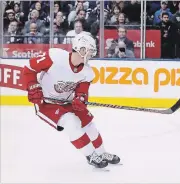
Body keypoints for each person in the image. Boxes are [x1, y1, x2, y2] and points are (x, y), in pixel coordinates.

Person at [22, 33, 120, 169]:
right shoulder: (55, 57)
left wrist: (80, 98)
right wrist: (33, 86)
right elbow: (29, 69)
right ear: (81, 49)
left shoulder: (87, 72)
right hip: (47, 103)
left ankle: (102, 153)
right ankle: (91, 155)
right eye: (90, 50)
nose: (92, 54)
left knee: (89, 124)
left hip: (68, 102)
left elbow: (82, 90)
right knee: (71, 122)